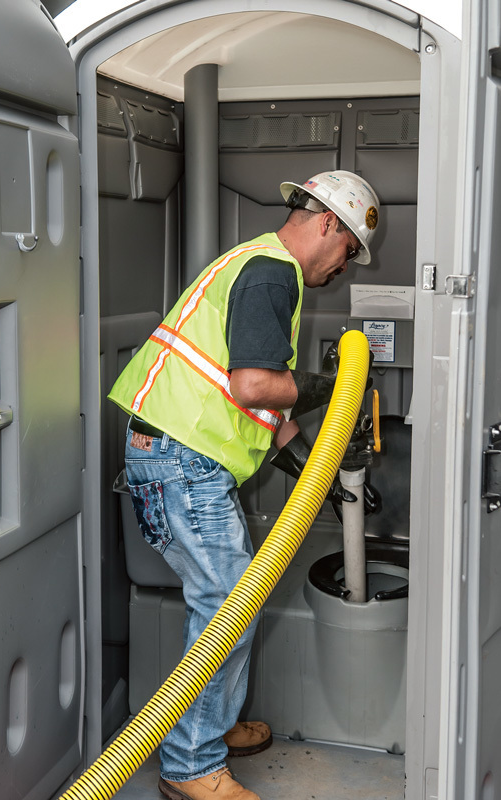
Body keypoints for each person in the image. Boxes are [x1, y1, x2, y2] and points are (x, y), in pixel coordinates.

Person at [108, 170, 381, 800]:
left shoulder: (257, 263)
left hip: (179, 456)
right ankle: (191, 766)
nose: (343, 267)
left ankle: (210, 722)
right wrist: (335, 389)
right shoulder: (272, 273)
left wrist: (320, 478)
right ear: (328, 223)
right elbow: (254, 385)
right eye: (348, 252)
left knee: (229, 604)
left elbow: (261, 410)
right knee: (228, 605)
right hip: (182, 460)